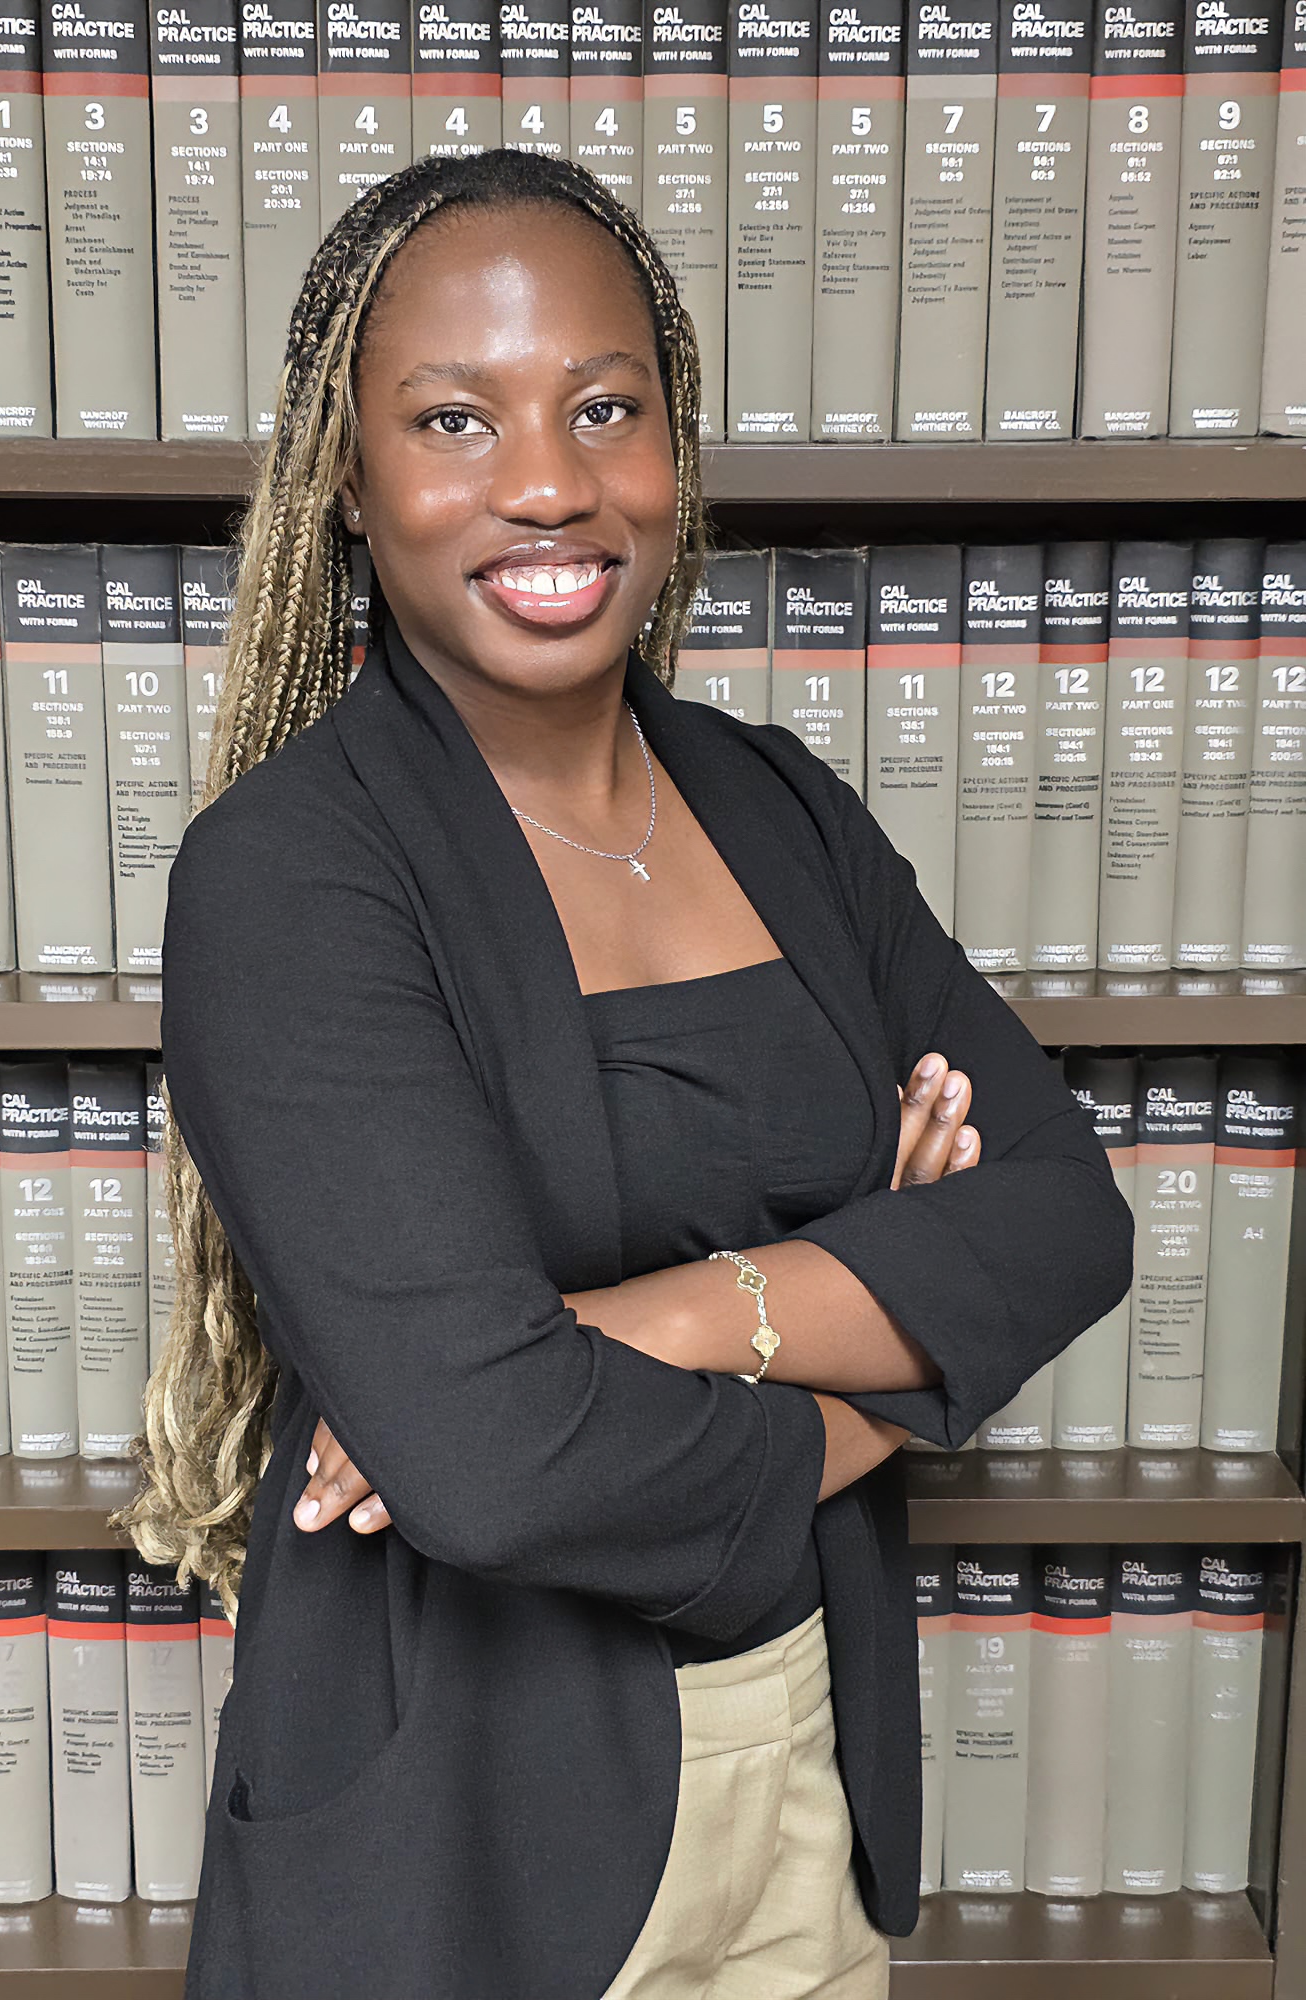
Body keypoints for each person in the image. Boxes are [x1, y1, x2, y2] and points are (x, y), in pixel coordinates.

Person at [116, 148, 1134, 2000]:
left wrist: (636, 1325)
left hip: (810, 1767)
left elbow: (1067, 1217)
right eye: (453, 419)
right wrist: (895, 1358)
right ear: (347, 477)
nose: (549, 483)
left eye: (605, 407)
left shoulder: (779, 808)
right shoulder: (289, 876)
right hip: (464, 1834)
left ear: (675, 440)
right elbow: (496, 1468)